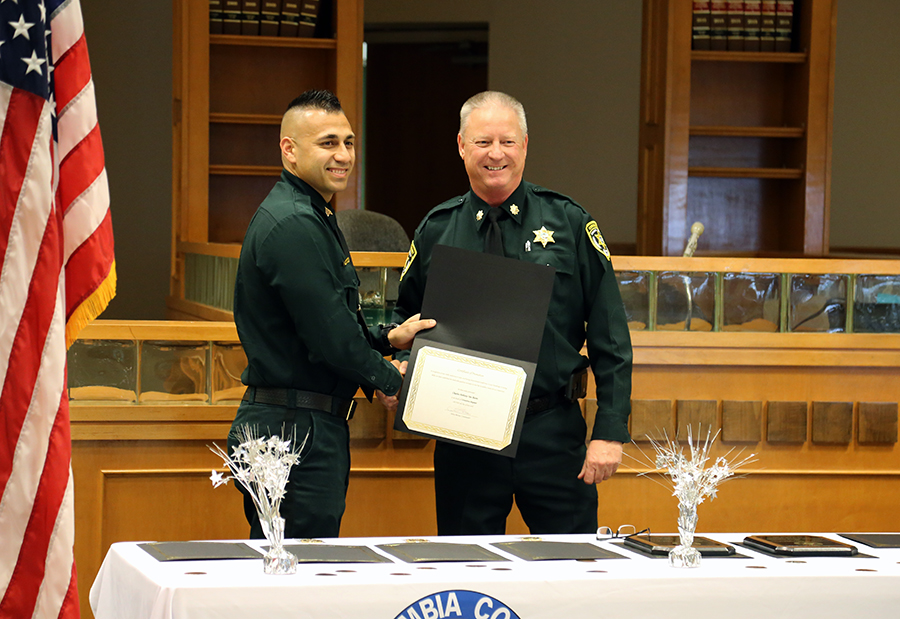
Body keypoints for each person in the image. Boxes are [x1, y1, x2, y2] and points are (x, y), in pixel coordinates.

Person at [392, 91, 632, 535]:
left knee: (570, 564)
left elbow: (610, 336)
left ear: (524, 145)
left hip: (551, 430)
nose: (496, 154)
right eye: (483, 142)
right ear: (461, 146)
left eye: (507, 141)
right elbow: (405, 317)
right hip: (463, 434)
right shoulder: (437, 229)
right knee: (466, 565)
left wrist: (610, 430)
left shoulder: (568, 223)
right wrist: (402, 366)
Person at [228, 89, 434, 539]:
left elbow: (329, 320)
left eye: (348, 142)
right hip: (292, 431)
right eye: (328, 143)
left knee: (298, 557)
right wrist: (391, 380)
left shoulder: (312, 214)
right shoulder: (294, 224)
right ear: (289, 149)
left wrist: (386, 338)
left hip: (301, 425)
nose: (343, 155)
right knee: (297, 563)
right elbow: (330, 339)